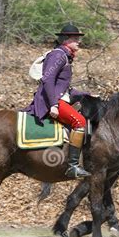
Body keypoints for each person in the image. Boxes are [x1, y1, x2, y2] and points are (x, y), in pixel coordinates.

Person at [24, 23, 91, 178]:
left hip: (58, 98)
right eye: (75, 38)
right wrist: (53, 105)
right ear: (65, 40)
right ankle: (73, 166)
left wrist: (86, 95)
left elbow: (64, 88)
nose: (78, 41)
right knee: (80, 122)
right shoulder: (58, 55)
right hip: (50, 101)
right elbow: (47, 80)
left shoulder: (65, 56)